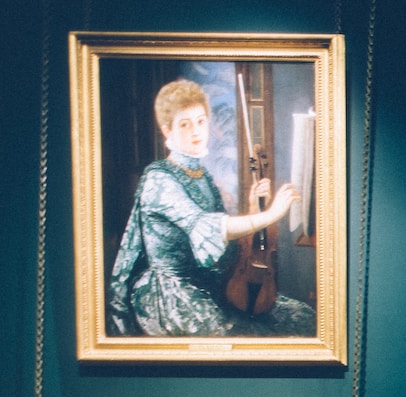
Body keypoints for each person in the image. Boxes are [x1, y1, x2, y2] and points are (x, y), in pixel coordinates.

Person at [108, 79, 316, 338]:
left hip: (207, 281)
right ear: (167, 130)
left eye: (201, 121)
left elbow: (226, 245)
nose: (196, 131)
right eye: (185, 124)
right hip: (171, 293)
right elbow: (213, 228)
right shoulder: (158, 179)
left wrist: (253, 209)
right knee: (245, 334)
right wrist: (269, 215)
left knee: (300, 316)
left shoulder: (202, 176)